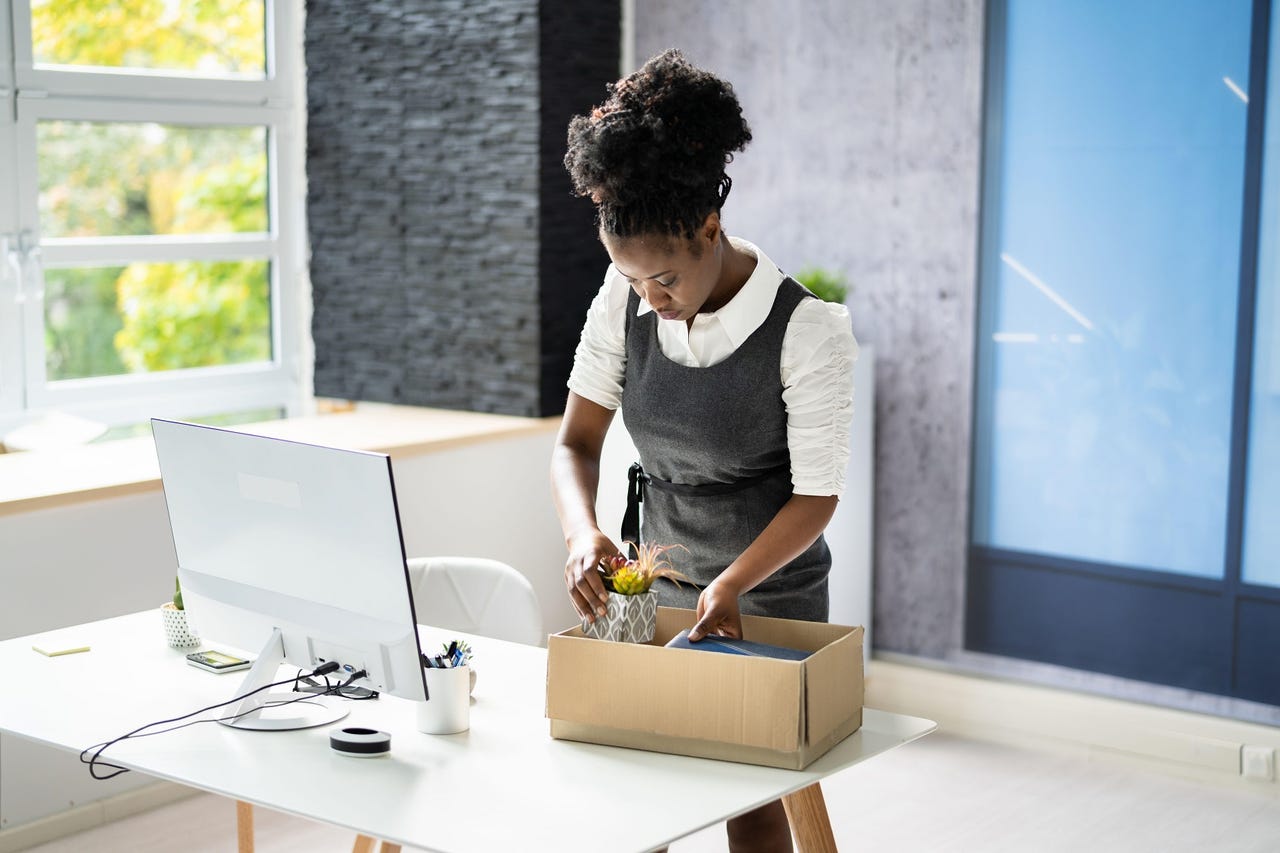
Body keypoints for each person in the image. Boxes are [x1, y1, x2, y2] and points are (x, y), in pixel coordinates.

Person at [550, 49, 857, 853]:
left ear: (710, 230)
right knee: (643, 780)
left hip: (768, 587)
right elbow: (575, 442)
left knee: (749, 794)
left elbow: (817, 496)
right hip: (663, 578)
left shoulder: (806, 330)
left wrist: (729, 585)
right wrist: (583, 533)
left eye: (664, 280)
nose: (650, 298)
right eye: (633, 281)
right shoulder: (623, 298)